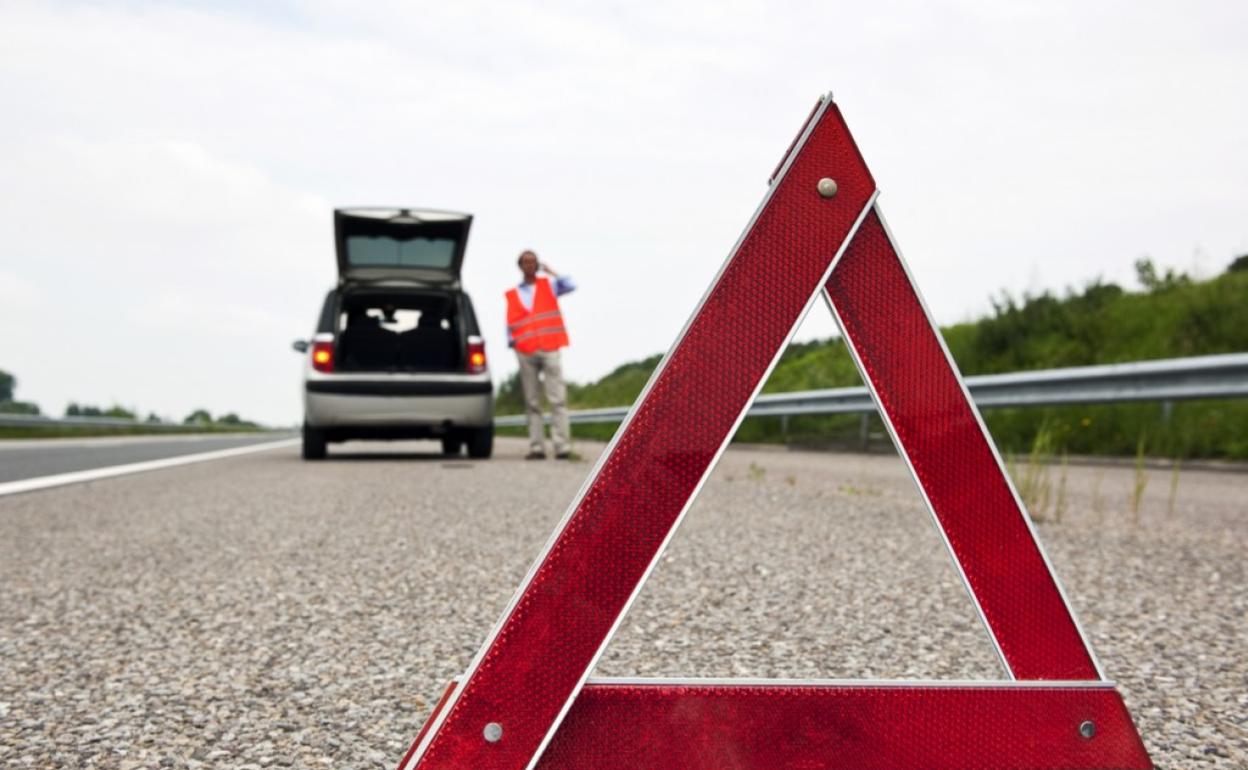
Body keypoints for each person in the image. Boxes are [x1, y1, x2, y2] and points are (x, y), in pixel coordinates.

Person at [506, 250, 575, 459]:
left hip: (550, 347)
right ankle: (537, 447)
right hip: (525, 350)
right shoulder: (513, 293)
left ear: (538, 265)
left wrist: (551, 271)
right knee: (532, 402)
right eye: (525, 263)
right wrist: (512, 343)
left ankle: (562, 445)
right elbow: (510, 322)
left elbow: (570, 285)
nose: (529, 266)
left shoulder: (549, 285)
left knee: (557, 399)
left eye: (533, 262)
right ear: (520, 266)